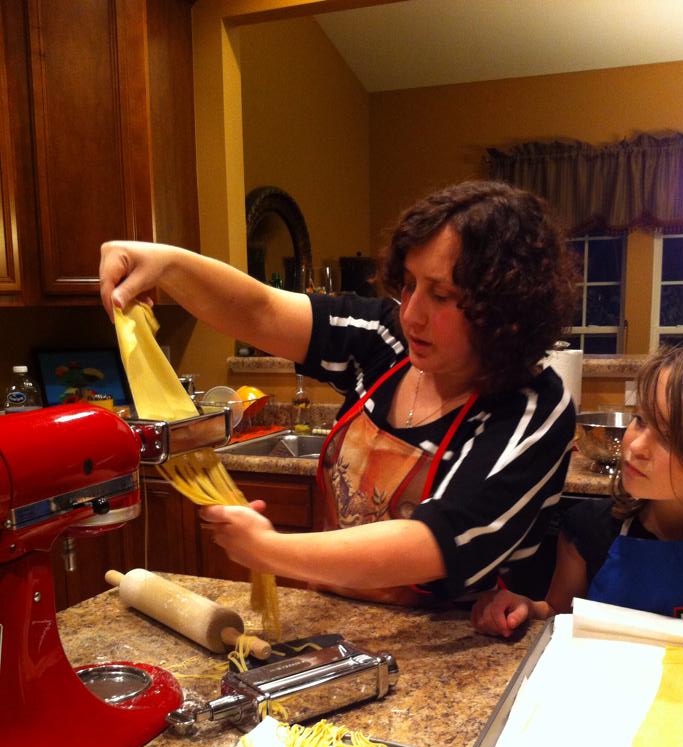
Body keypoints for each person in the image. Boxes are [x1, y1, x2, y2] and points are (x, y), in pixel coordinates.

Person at [99, 180, 578, 606]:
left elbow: (435, 543)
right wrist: (168, 264)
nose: (411, 314)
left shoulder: (531, 405)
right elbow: (262, 310)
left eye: (441, 295)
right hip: (339, 616)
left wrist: (269, 550)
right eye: (409, 285)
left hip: (458, 648)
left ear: (504, 311)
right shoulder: (386, 339)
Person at [471, 343, 683, 635]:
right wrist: (526, 608)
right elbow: (559, 613)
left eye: (668, 437)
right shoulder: (590, 529)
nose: (636, 446)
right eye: (640, 420)